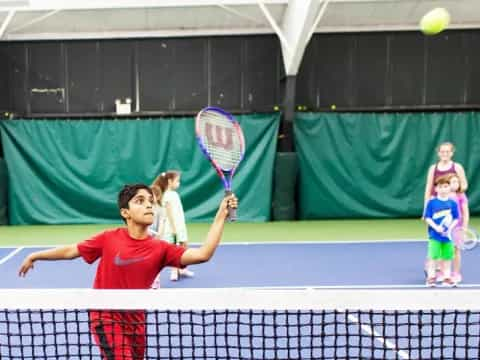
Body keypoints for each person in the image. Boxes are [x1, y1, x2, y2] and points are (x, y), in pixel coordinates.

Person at [18, 183, 238, 360]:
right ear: (125, 212)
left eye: (151, 201)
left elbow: (203, 254)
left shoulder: (160, 248)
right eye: (140, 201)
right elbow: (70, 251)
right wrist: (35, 255)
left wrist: (220, 215)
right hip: (105, 316)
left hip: (136, 321)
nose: (149, 206)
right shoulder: (109, 238)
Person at [151, 171, 192, 282]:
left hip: (180, 226)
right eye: (177, 181)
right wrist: (174, 229)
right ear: (169, 181)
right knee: (174, 250)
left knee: (184, 246)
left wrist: (180, 227)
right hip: (172, 228)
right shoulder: (167, 195)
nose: (179, 183)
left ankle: (182, 269)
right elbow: (169, 213)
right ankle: (174, 271)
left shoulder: (175, 194)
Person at [424, 175, 459, 288]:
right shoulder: (432, 203)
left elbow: (456, 218)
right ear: (436, 189)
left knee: (447, 258)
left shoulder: (453, 203)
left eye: (445, 186)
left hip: (448, 237)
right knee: (433, 257)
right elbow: (427, 218)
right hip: (434, 236)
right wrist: (436, 228)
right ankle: (431, 278)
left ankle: (446, 278)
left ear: (449, 188)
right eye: (440, 187)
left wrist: (449, 229)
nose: (443, 189)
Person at [424, 142, 468, 213]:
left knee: (456, 223)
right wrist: (425, 209)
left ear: (452, 153)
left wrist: (453, 191)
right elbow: (428, 189)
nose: (445, 154)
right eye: (442, 152)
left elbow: (464, 185)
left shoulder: (457, 167)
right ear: (438, 153)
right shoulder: (433, 168)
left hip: (453, 203)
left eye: (447, 152)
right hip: (437, 205)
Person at [448, 173, 469, 284]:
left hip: (457, 228)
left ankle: (456, 273)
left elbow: (465, 213)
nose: (455, 184)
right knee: (444, 251)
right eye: (452, 182)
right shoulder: (442, 196)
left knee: (456, 251)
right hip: (445, 230)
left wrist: (464, 229)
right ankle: (444, 273)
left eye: (457, 182)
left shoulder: (461, 196)